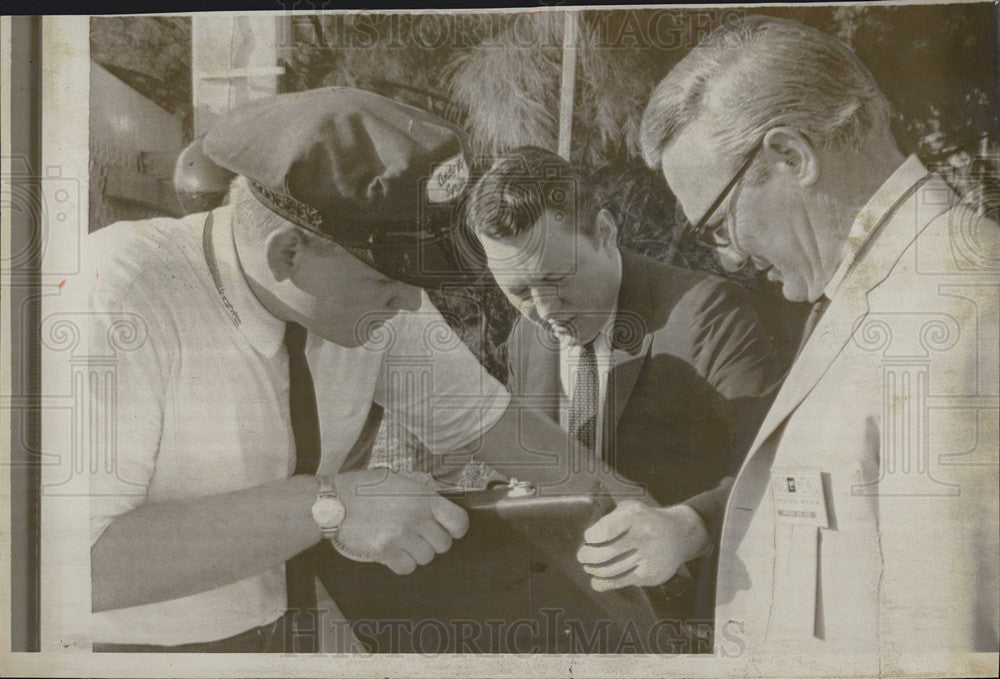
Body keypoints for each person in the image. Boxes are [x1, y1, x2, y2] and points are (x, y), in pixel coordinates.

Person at [83, 88, 620, 653]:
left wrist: (642, 516)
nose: (412, 306)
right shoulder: (119, 294)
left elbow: (504, 432)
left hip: (291, 636)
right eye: (388, 281)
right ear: (287, 253)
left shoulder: (368, 294)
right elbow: (70, 566)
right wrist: (329, 505)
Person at [639, 15, 999, 671]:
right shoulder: (873, 294)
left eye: (720, 223)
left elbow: (954, 648)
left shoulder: (954, 312)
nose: (732, 256)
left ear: (791, 156)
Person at [463, 146, 783, 606]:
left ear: (605, 233)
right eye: (519, 292)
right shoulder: (525, 338)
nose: (546, 310)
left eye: (559, 279)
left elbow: (777, 468)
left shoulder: (706, 314)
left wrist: (688, 527)